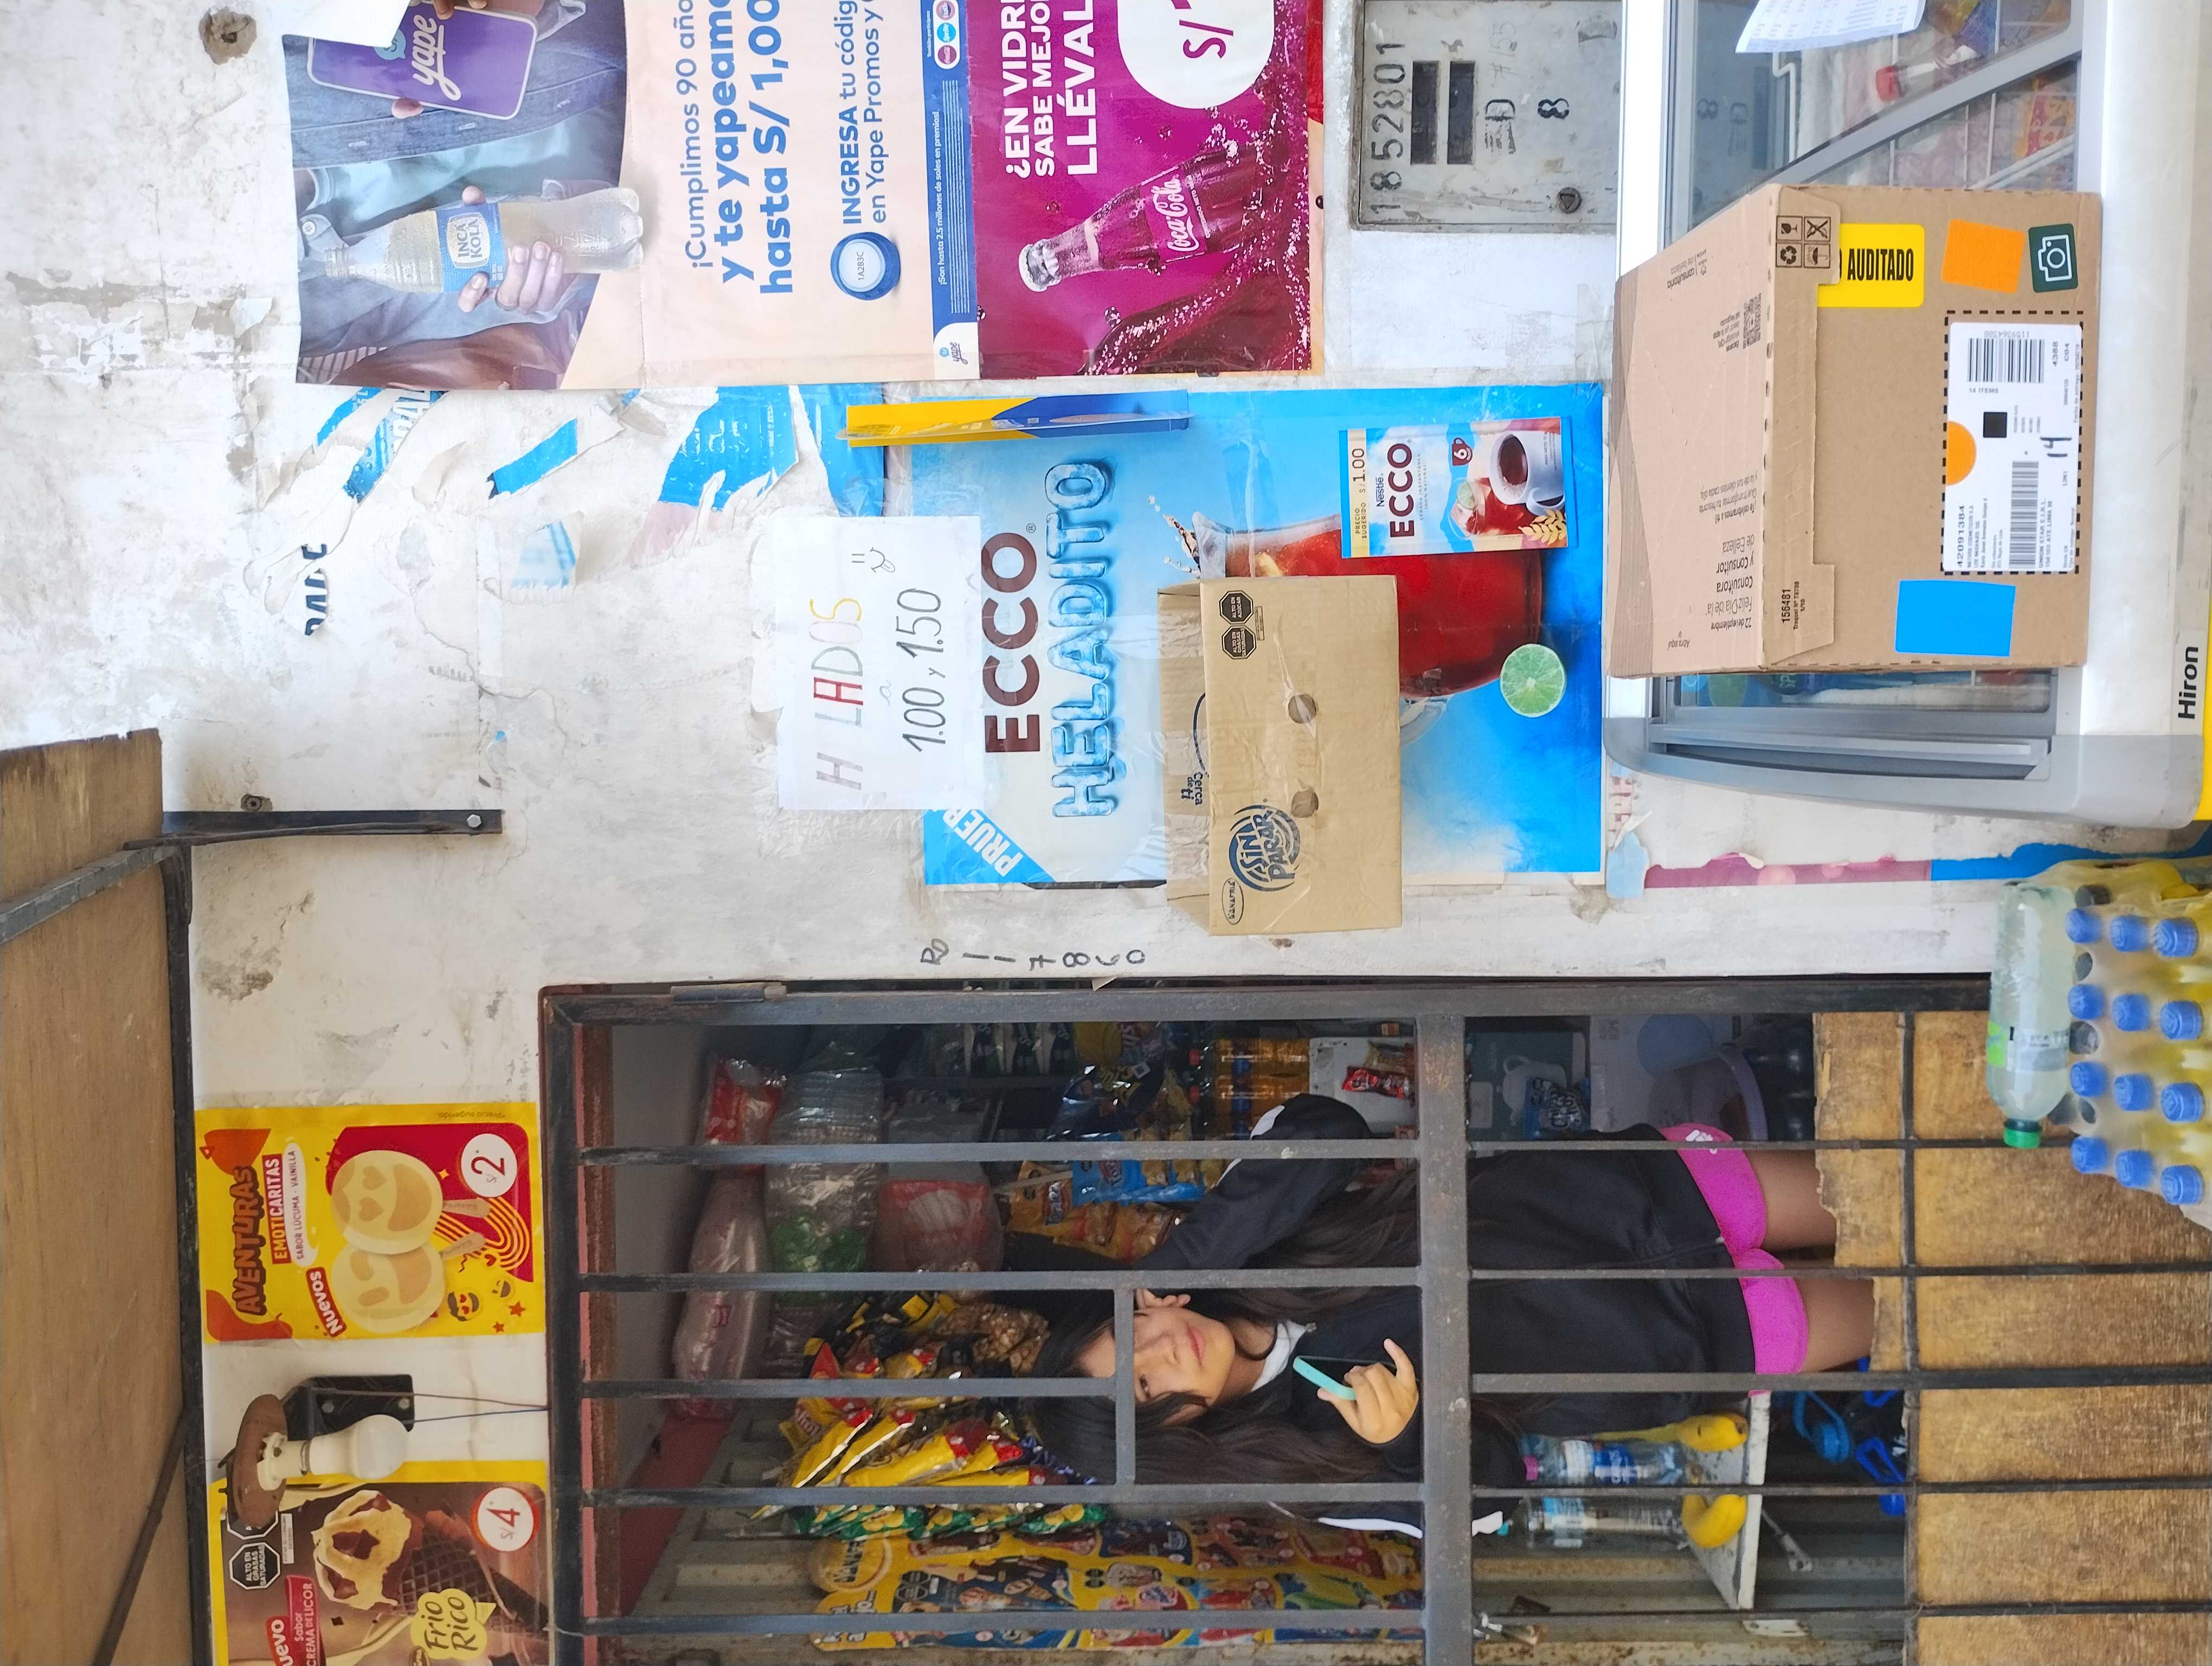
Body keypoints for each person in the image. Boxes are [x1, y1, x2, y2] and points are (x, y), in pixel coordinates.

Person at [1024, 1094, 1872, 1518]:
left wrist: (1186, 1259)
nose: (1163, 1351)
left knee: (1908, 1189)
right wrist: (1407, 1439)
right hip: (1685, 1342)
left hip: (1646, 1193)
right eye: (1145, 1387)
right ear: (1171, 1436)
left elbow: (1328, 1130)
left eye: (1132, 1331)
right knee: (1925, 1303)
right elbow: (1490, 1500)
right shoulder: (1299, 1464)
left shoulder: (1242, 1248)